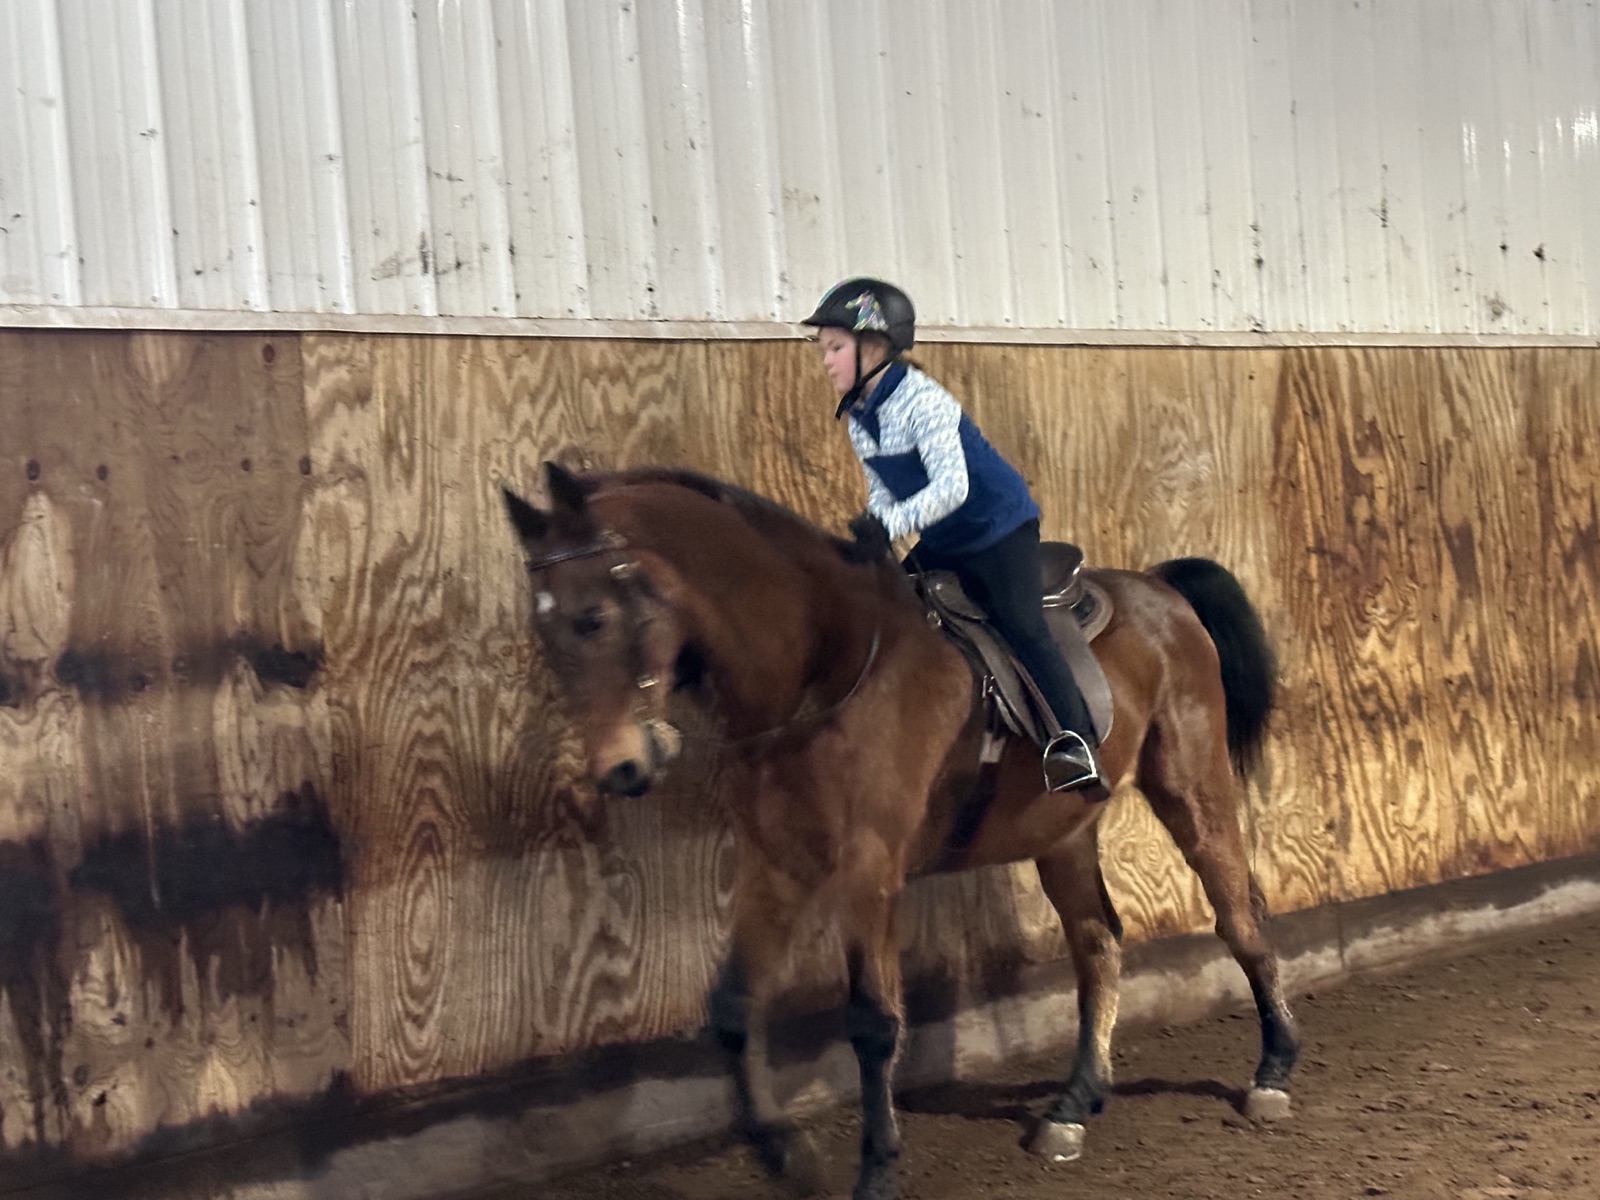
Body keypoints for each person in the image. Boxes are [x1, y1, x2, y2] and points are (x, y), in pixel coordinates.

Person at [801, 277, 1106, 795]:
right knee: (885, 605)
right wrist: (875, 531)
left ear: (872, 347)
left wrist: (892, 524)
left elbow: (952, 488)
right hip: (944, 538)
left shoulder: (925, 402)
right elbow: (882, 490)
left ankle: (1075, 742)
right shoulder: (858, 416)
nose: (826, 361)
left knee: (1022, 625)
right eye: (824, 350)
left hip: (997, 529)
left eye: (835, 348)